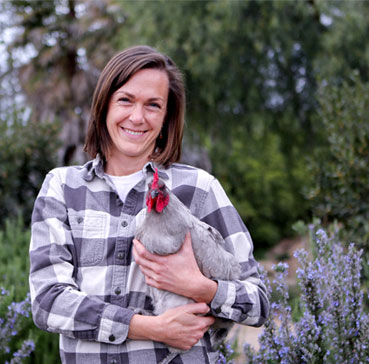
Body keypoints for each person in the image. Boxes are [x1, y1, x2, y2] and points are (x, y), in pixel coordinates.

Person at [29, 45, 269, 364]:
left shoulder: (199, 189)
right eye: (126, 100)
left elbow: (259, 302)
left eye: (153, 105)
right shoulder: (63, 188)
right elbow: (48, 301)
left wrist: (199, 287)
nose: (137, 117)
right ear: (104, 106)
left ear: (166, 117)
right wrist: (152, 328)